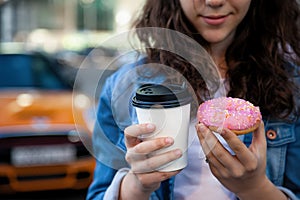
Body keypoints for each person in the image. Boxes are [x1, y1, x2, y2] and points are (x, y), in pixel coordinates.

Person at [87, 0, 300, 199]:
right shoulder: (123, 87)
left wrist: (255, 188)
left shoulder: (293, 87)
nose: (214, 1)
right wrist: (136, 186)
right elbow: (99, 193)